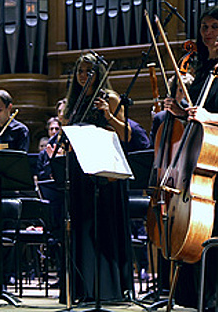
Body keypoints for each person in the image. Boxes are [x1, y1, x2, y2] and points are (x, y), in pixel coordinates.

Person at [60, 52, 132, 303]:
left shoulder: (110, 98)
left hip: (104, 171)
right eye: (79, 71)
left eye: (88, 71)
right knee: (83, 227)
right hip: (80, 169)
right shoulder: (75, 102)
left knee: (102, 227)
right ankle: (84, 289)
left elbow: (126, 135)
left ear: (99, 73)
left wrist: (109, 115)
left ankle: (107, 289)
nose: (83, 76)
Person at [160, 5, 218, 310]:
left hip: (217, 157)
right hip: (199, 154)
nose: (208, 33)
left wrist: (210, 115)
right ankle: (194, 296)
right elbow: (193, 114)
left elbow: (208, 114)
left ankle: (214, 298)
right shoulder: (200, 68)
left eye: (214, 27)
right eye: (204, 27)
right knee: (202, 229)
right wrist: (179, 110)